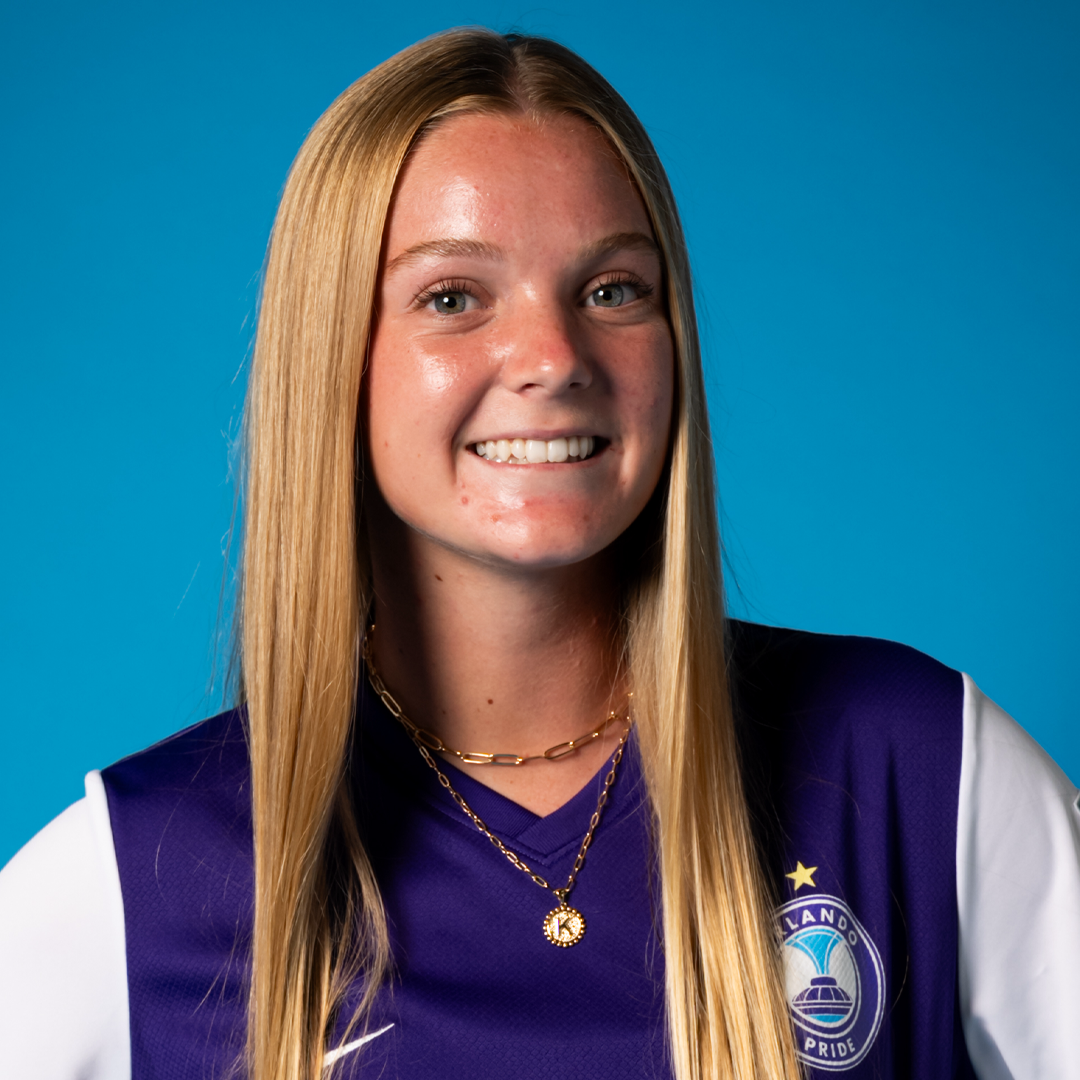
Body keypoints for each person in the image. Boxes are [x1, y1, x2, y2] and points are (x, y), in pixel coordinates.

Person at [1, 27, 1078, 1080]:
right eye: (453, 298)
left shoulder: (918, 767)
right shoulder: (126, 885)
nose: (555, 357)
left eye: (612, 289)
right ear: (333, 358)